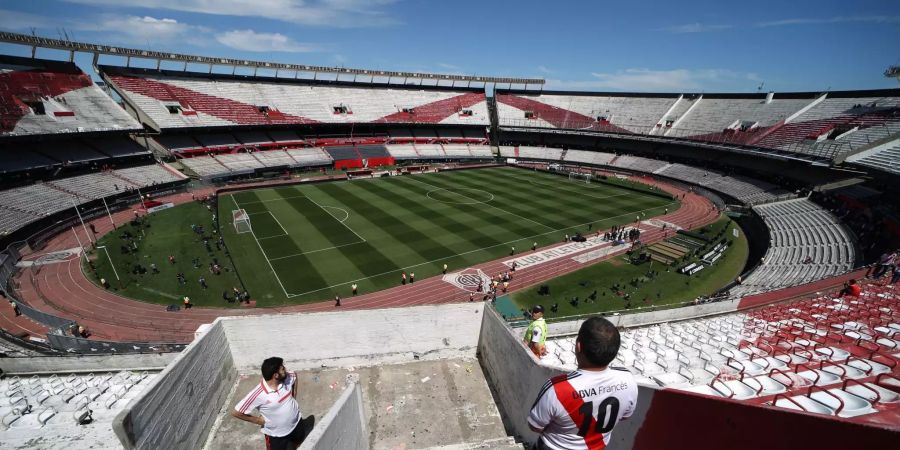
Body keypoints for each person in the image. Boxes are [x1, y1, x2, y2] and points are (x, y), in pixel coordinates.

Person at [528, 317, 638, 450]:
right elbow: (625, 416)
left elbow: (535, 426)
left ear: (578, 346)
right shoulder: (628, 379)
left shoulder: (557, 389)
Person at [231, 357, 306, 450]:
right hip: (277, 435)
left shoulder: (288, 377)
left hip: (297, 423)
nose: (285, 370)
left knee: (298, 442)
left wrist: (293, 397)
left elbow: (294, 375)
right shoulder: (258, 393)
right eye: (282, 369)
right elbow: (236, 412)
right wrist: (258, 420)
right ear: (276, 375)